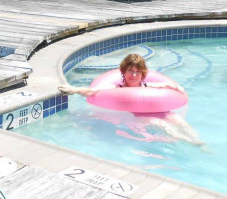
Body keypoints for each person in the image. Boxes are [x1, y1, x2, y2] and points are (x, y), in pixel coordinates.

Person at [58, 54, 202, 146]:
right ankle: (187, 142)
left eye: (137, 72)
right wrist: (74, 90)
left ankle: (199, 142)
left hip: (160, 111)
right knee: (159, 124)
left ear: (142, 73)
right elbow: (92, 91)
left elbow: (166, 85)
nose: (134, 75)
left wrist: (178, 88)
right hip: (138, 116)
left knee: (180, 122)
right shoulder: (117, 87)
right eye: (130, 71)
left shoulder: (147, 85)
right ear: (123, 72)